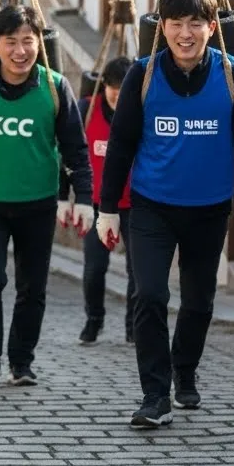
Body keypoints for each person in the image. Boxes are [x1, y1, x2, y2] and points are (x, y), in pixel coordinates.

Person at [96, 0, 234, 428]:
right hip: (151, 207)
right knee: (150, 295)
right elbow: (120, 146)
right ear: (162, 28)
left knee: (198, 302)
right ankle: (154, 395)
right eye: (175, 23)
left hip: (210, 209)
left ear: (212, 28)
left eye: (195, 23)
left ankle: (185, 369)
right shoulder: (144, 75)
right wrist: (106, 209)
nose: (185, 33)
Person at [0, 3, 93, 389]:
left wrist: (84, 197)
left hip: (38, 204)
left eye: (27, 41)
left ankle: (22, 361)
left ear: (39, 43)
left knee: (33, 287)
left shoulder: (54, 86)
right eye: (11, 41)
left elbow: (75, 149)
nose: (20, 51)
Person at [64, 55, 137, 345]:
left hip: (134, 204)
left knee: (138, 271)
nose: (118, 97)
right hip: (96, 204)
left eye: (125, 90)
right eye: (113, 90)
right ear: (104, 86)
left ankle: (133, 326)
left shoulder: (140, 111)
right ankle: (94, 320)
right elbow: (68, 152)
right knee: (94, 268)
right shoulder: (87, 108)